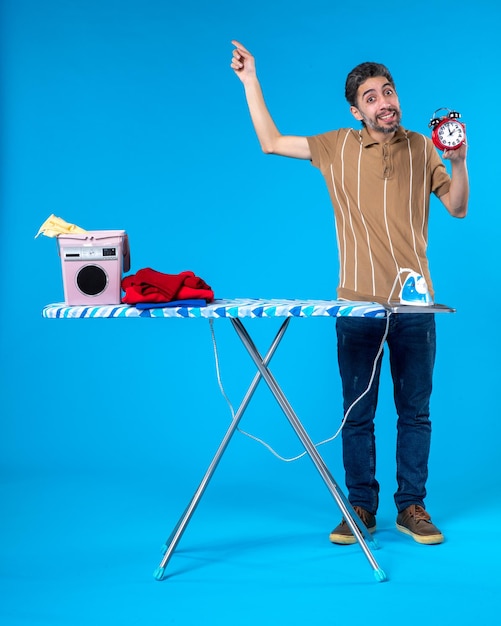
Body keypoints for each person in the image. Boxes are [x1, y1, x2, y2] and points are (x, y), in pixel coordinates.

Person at [230, 40, 469, 545]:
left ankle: (413, 507)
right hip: (357, 303)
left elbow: (458, 207)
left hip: (415, 306)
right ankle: (360, 506)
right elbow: (271, 142)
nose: (384, 102)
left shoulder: (425, 148)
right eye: (371, 97)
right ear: (356, 110)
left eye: (388, 91)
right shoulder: (336, 147)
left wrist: (461, 161)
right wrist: (251, 79)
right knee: (356, 413)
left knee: (415, 412)